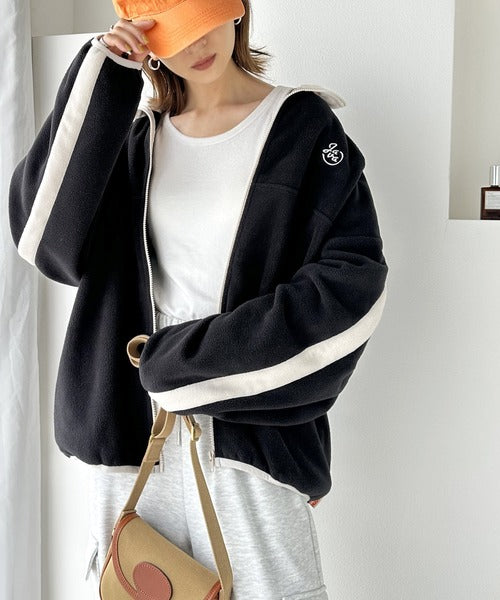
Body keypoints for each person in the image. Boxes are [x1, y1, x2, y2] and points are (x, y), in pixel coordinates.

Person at [8, 1, 389, 598]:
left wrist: (190, 364)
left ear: (236, 10)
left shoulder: (301, 129)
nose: (197, 44)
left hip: (249, 431)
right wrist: (106, 74)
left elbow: (352, 285)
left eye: (205, 17)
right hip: (134, 434)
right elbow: (45, 242)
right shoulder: (136, 140)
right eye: (174, 31)